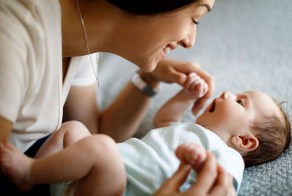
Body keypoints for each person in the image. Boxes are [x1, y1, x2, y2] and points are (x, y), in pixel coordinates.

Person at [0, 0, 235, 195]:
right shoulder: (13, 31)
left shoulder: (81, 40)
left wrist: (149, 79)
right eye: (195, 18)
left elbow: (94, 137)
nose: (190, 41)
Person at [0, 73, 291, 195]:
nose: (227, 93)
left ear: (244, 141)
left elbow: (221, 188)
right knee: (73, 129)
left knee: (101, 146)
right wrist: (184, 95)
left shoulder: (227, 157)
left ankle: (29, 171)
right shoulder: (188, 130)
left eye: (240, 101)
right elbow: (165, 120)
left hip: (116, 188)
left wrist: (201, 162)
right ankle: (37, 176)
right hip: (83, 179)